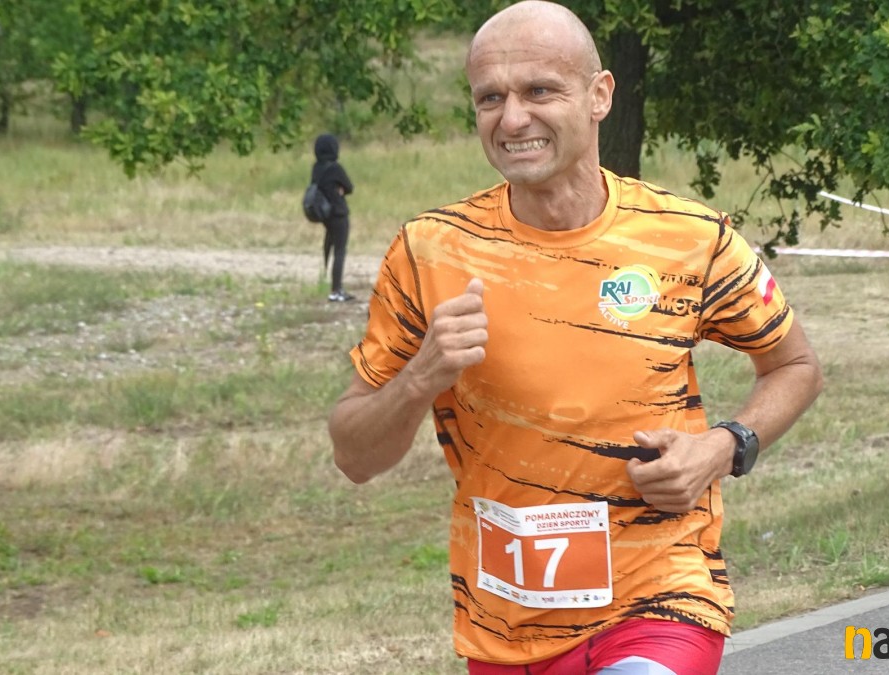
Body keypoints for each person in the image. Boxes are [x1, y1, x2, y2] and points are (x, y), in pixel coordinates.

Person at [328, 2, 823, 673]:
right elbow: (354, 455)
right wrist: (421, 376)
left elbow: (795, 365)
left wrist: (723, 447)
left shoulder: (689, 237)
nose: (512, 119)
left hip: (663, 597)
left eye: (539, 91)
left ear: (600, 96)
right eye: (490, 98)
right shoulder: (430, 252)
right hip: (506, 623)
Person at [311, 133, 356, 302]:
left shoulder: (316, 167)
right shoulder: (335, 168)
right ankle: (336, 289)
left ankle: (325, 277)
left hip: (325, 213)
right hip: (339, 212)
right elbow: (349, 187)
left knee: (329, 246)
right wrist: (340, 189)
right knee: (340, 250)